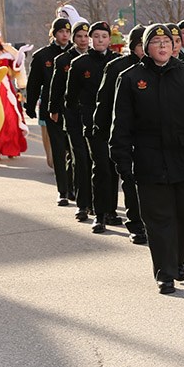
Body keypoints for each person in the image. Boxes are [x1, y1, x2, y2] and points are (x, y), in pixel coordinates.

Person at [109, 23, 184, 295]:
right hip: (149, 160)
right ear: (146, 47)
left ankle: (178, 259)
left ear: (174, 47)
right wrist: (122, 161)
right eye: (155, 41)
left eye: (167, 42)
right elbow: (121, 124)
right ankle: (164, 271)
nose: (162, 46)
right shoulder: (129, 78)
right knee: (158, 219)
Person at [93, 24, 148, 244]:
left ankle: (149, 221)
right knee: (124, 178)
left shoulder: (160, 67)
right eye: (142, 45)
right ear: (133, 45)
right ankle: (130, 222)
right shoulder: (117, 68)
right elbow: (104, 100)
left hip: (148, 135)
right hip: (121, 132)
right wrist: (100, 128)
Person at [67, 21, 122, 234]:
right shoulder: (80, 64)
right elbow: (70, 98)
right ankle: (98, 215)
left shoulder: (117, 62)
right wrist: (80, 119)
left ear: (110, 39)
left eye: (104, 36)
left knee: (113, 167)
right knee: (99, 168)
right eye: (96, 36)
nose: (100, 40)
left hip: (114, 122)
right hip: (92, 123)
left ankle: (111, 210)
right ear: (90, 38)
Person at [25, 18, 73, 205]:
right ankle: (63, 190)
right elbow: (34, 84)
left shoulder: (75, 54)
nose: (65, 35)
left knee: (74, 152)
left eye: (68, 32)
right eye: (61, 31)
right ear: (54, 34)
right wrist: (30, 106)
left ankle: (74, 188)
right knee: (59, 151)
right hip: (52, 110)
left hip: (73, 110)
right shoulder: (42, 56)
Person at [48, 20, 92, 221]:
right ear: (74, 39)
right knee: (78, 157)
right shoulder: (64, 59)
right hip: (72, 114)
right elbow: (56, 88)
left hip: (92, 115)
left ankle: (93, 199)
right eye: (79, 36)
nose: (83, 40)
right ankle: (75, 196)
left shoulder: (96, 58)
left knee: (92, 159)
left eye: (86, 36)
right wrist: (53, 109)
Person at [0, 28, 28, 161]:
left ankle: (11, 149)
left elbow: (15, 68)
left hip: (7, 90)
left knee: (11, 118)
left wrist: (20, 56)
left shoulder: (6, 53)